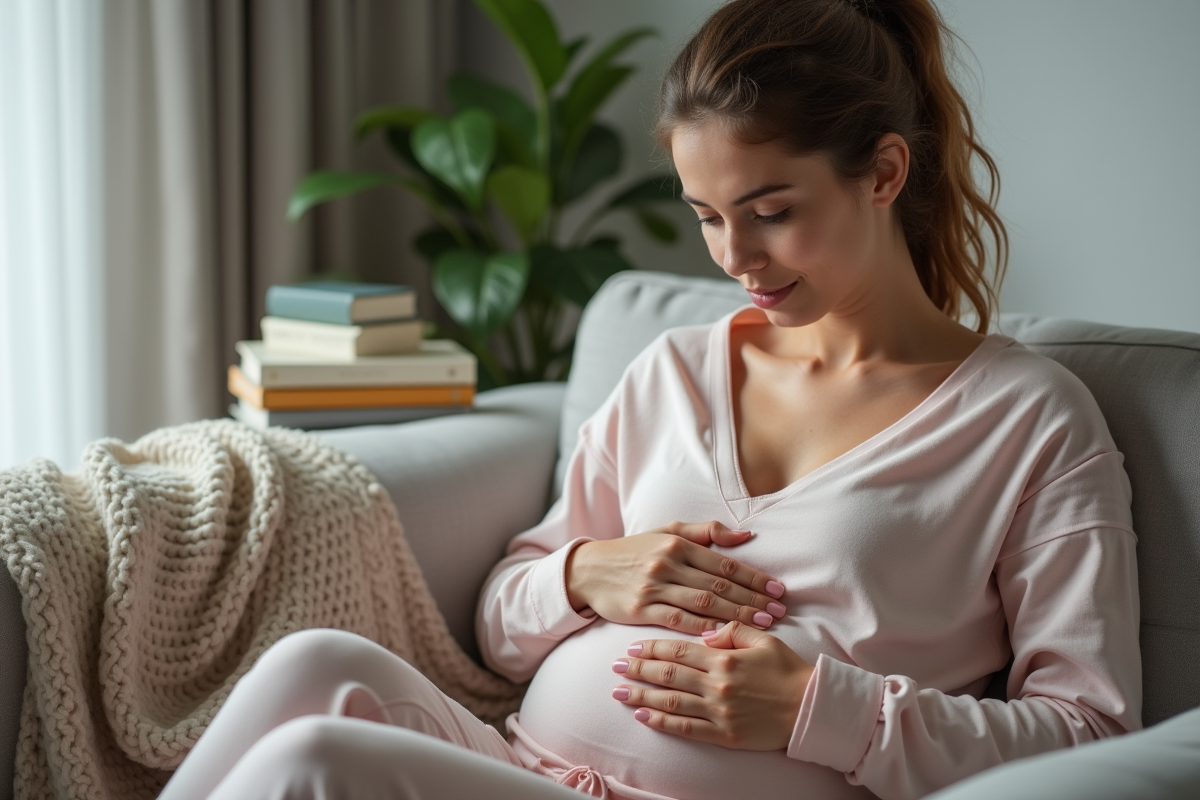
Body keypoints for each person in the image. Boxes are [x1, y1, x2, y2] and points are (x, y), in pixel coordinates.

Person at [157, 0, 1141, 798]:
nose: (734, 258)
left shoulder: (1030, 421)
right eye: (708, 216)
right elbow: (503, 622)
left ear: (884, 172)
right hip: (521, 765)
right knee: (312, 661)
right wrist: (589, 572)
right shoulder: (672, 369)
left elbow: (1090, 732)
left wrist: (819, 707)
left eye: (771, 213)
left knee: (314, 763)